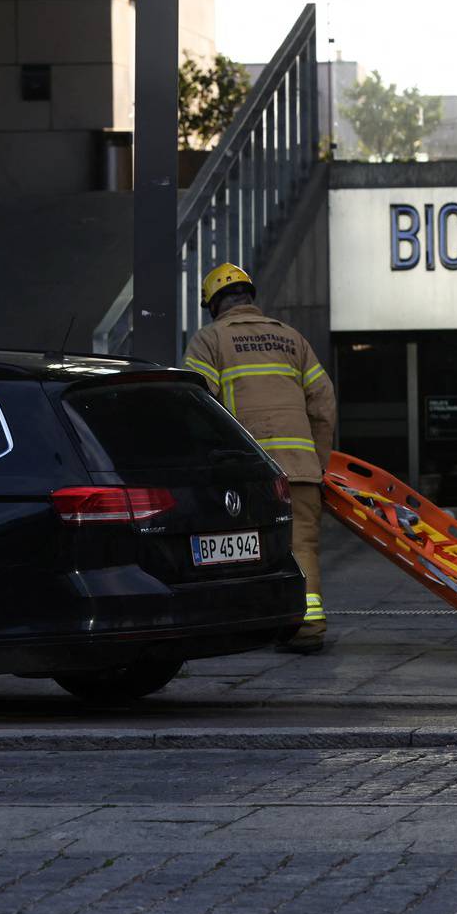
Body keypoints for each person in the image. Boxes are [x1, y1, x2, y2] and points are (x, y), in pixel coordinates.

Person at [185, 263, 338, 655]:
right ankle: (307, 626)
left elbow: (197, 405)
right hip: (299, 468)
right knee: (301, 544)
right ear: (250, 297)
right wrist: (315, 462)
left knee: (235, 546)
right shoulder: (293, 339)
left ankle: (237, 626)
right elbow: (324, 403)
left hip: (247, 473)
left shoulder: (210, 340)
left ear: (214, 304)